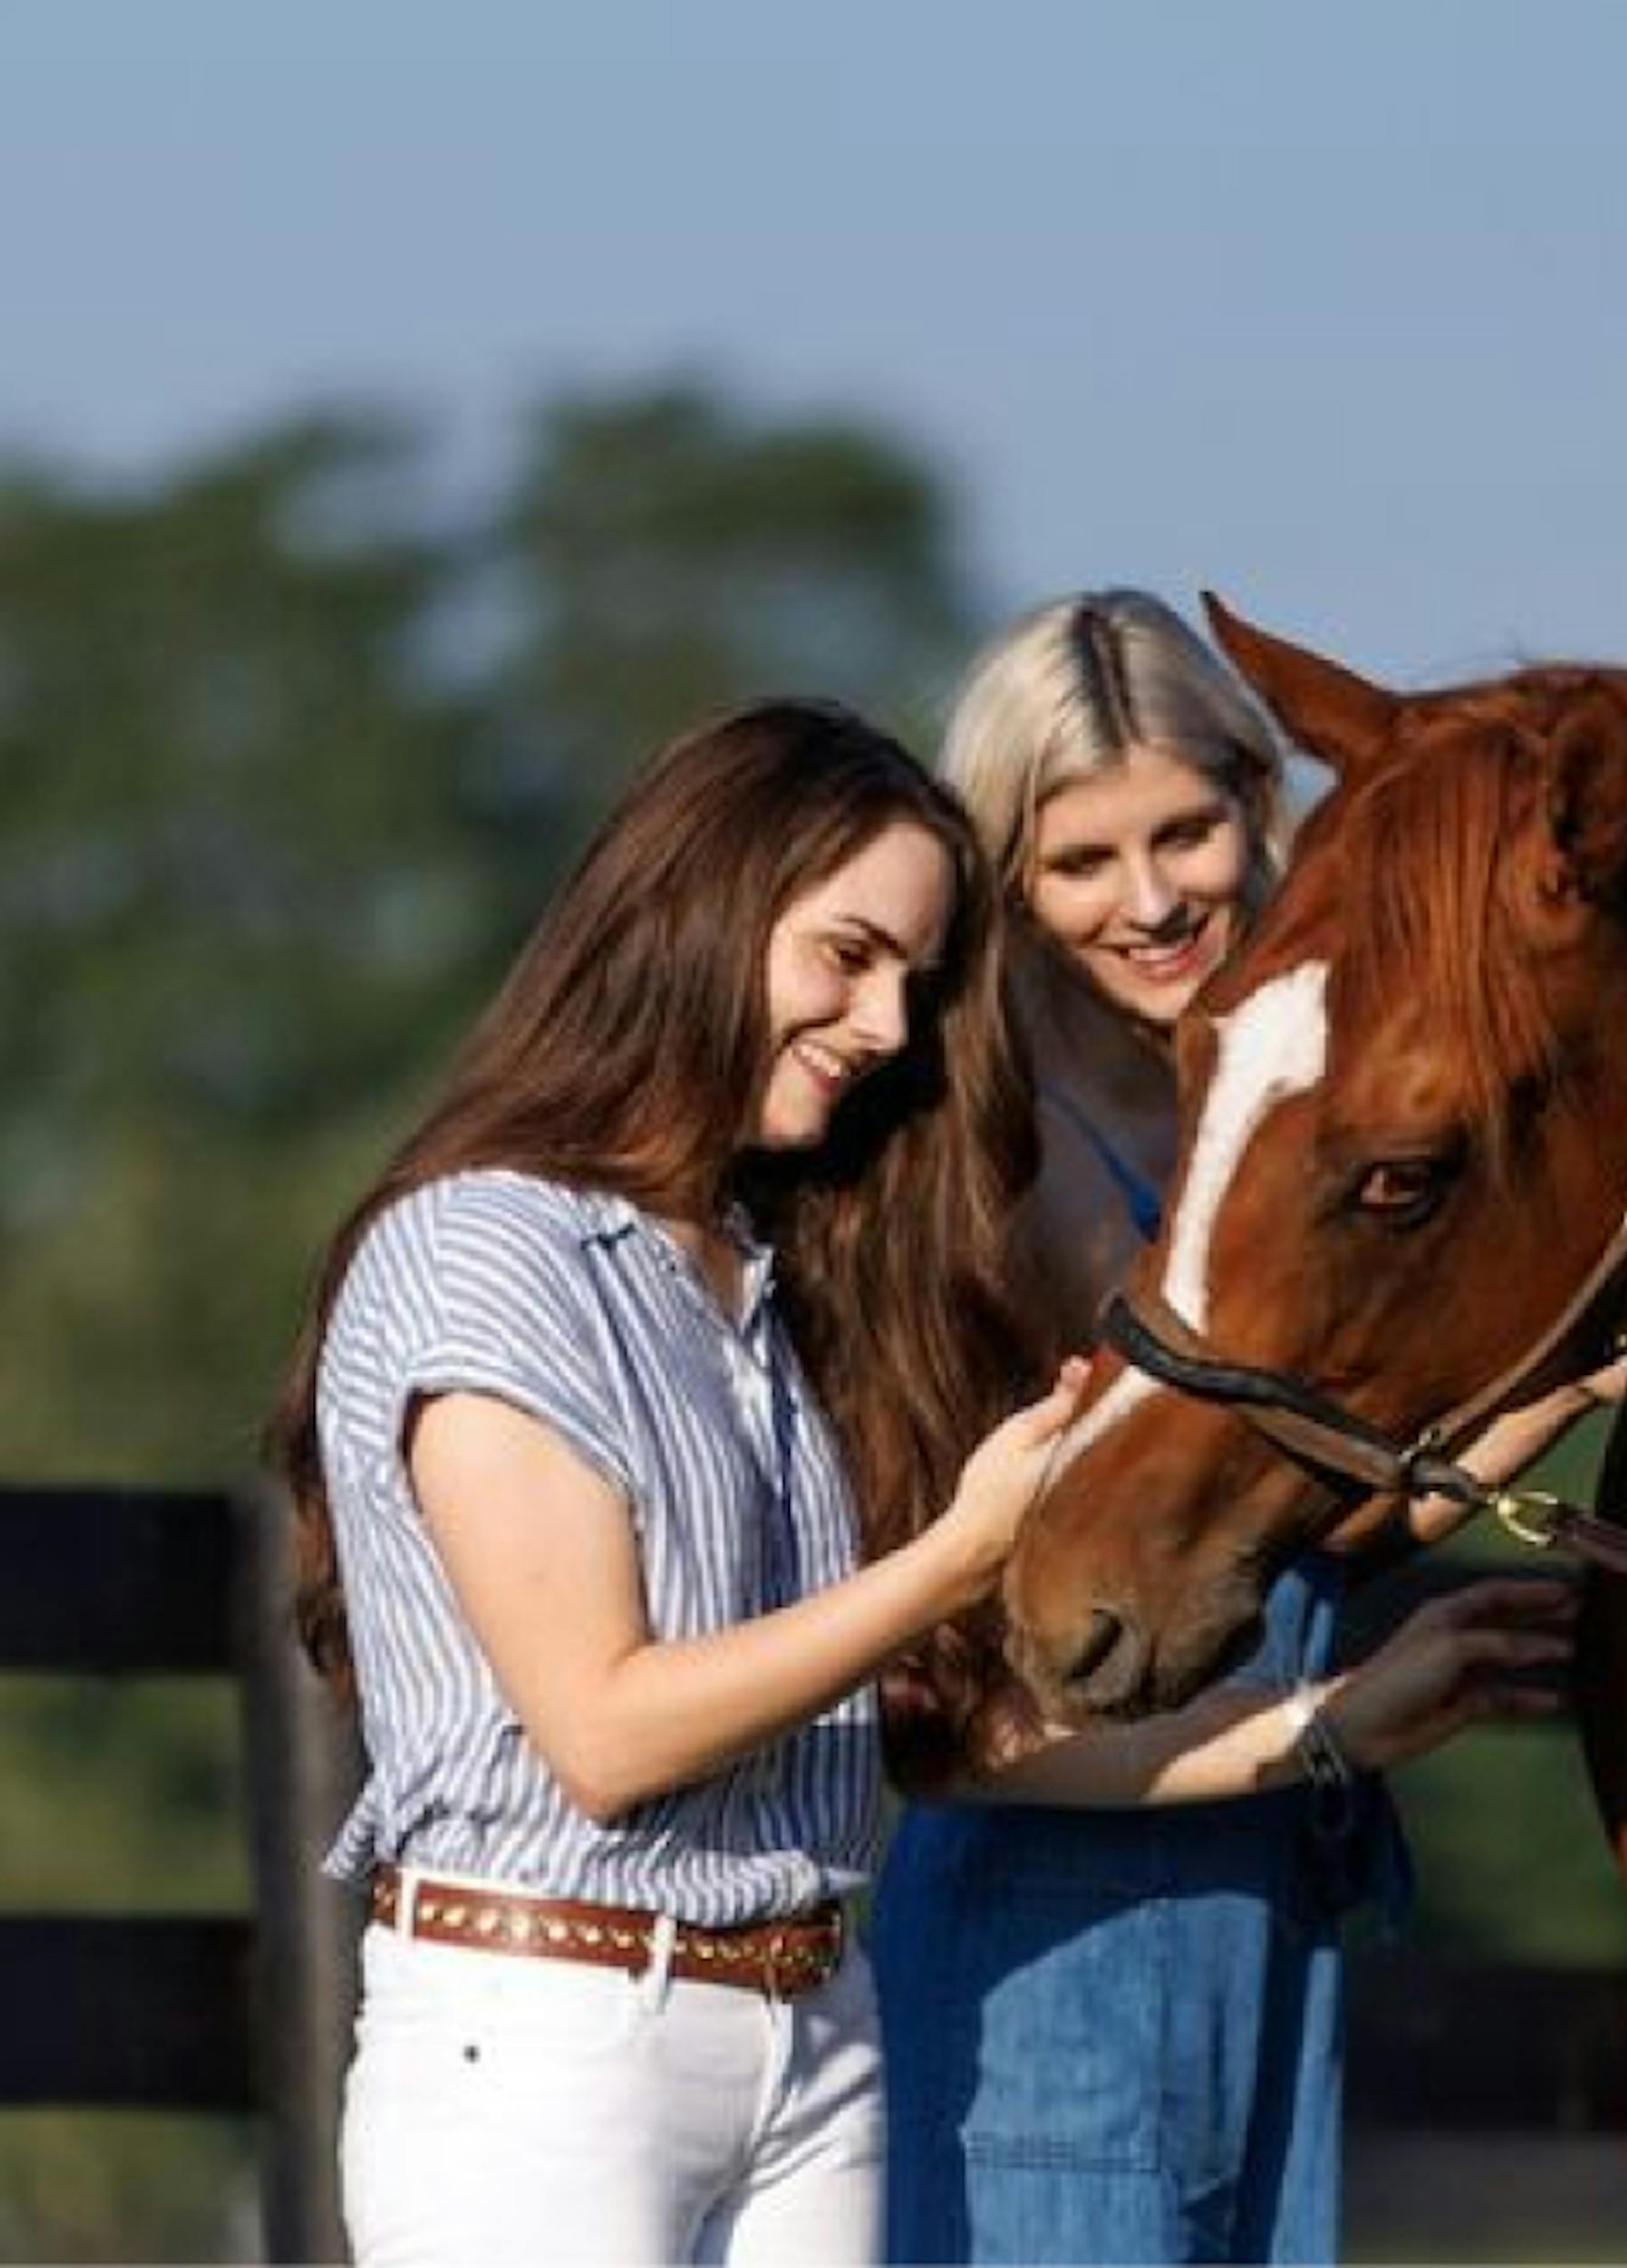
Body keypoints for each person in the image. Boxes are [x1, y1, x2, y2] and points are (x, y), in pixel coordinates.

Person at [265, 698, 1089, 2263]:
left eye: (912, 981)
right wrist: (958, 1554)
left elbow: (911, 1725)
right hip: (552, 2050)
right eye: (847, 956)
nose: (888, 1029)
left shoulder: (766, 1276)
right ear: (705, 908)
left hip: (812, 2030)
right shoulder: (485, 1250)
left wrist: (1325, 1736)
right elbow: (606, 1730)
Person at [865, 588, 1608, 2265]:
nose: (1150, 902)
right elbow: (974, 1712)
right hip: (1054, 1934)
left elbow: (1279, 1509)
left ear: (1255, 806)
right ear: (1007, 880)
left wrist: (1572, 1372)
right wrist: (1341, 1724)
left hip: (1263, 1904)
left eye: (1186, 831)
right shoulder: (999, 1161)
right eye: (1079, 863)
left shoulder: (1258, 1114)